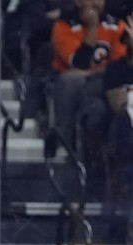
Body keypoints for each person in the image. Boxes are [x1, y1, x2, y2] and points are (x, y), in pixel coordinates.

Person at [50, 0, 126, 155]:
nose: (95, 3)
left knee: (97, 103)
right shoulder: (64, 26)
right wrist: (92, 27)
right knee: (72, 81)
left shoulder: (116, 25)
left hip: (104, 81)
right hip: (69, 84)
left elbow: (120, 64)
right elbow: (78, 63)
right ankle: (64, 142)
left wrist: (89, 73)